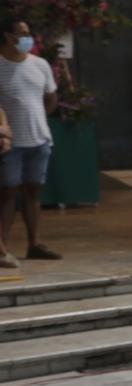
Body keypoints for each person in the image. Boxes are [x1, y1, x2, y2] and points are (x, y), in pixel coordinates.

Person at [0, 18, 60, 269]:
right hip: (9, 143)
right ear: (6, 36)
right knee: (7, 193)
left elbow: (50, 98)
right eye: (20, 34)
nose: (26, 38)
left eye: (28, 33)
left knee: (33, 191)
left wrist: (37, 119)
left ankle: (35, 243)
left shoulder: (40, 64)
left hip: (39, 138)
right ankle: (2, 247)